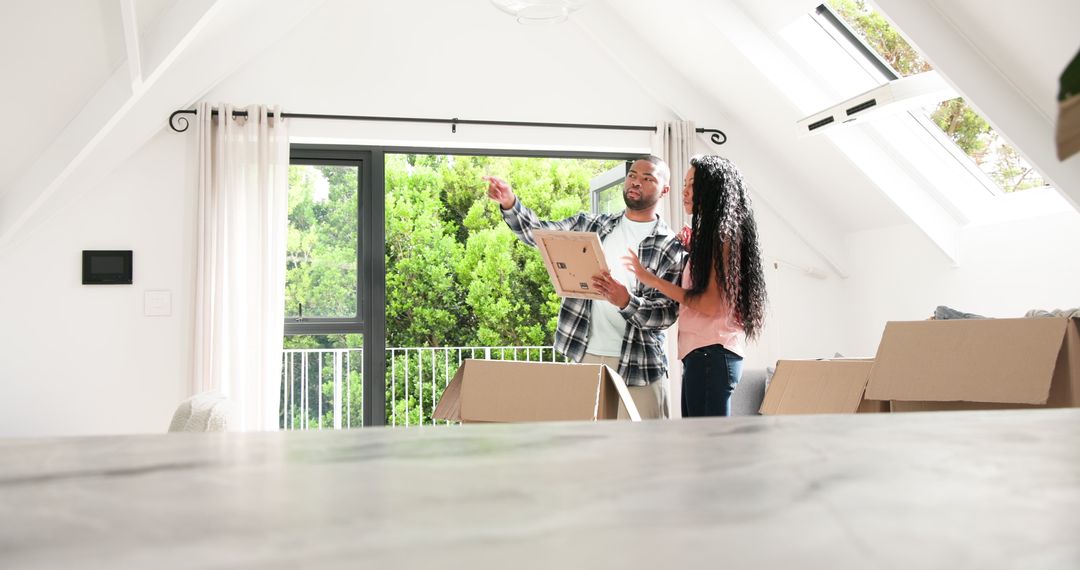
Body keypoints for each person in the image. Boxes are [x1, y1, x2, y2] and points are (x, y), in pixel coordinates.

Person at [484, 156, 688, 419]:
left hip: (640, 366)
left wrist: (626, 301)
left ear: (664, 190)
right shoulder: (591, 226)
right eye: (632, 175)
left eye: (648, 178)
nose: (636, 182)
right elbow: (541, 235)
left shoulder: (670, 246)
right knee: (586, 451)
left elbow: (666, 314)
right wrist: (510, 203)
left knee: (643, 452)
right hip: (586, 356)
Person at [625, 155, 767, 417]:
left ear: (712, 189)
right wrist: (694, 252)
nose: (685, 191)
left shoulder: (722, 238)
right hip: (706, 355)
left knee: (706, 450)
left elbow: (709, 304)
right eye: (685, 184)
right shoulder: (718, 237)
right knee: (700, 447)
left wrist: (651, 279)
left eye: (693, 184)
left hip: (710, 355)